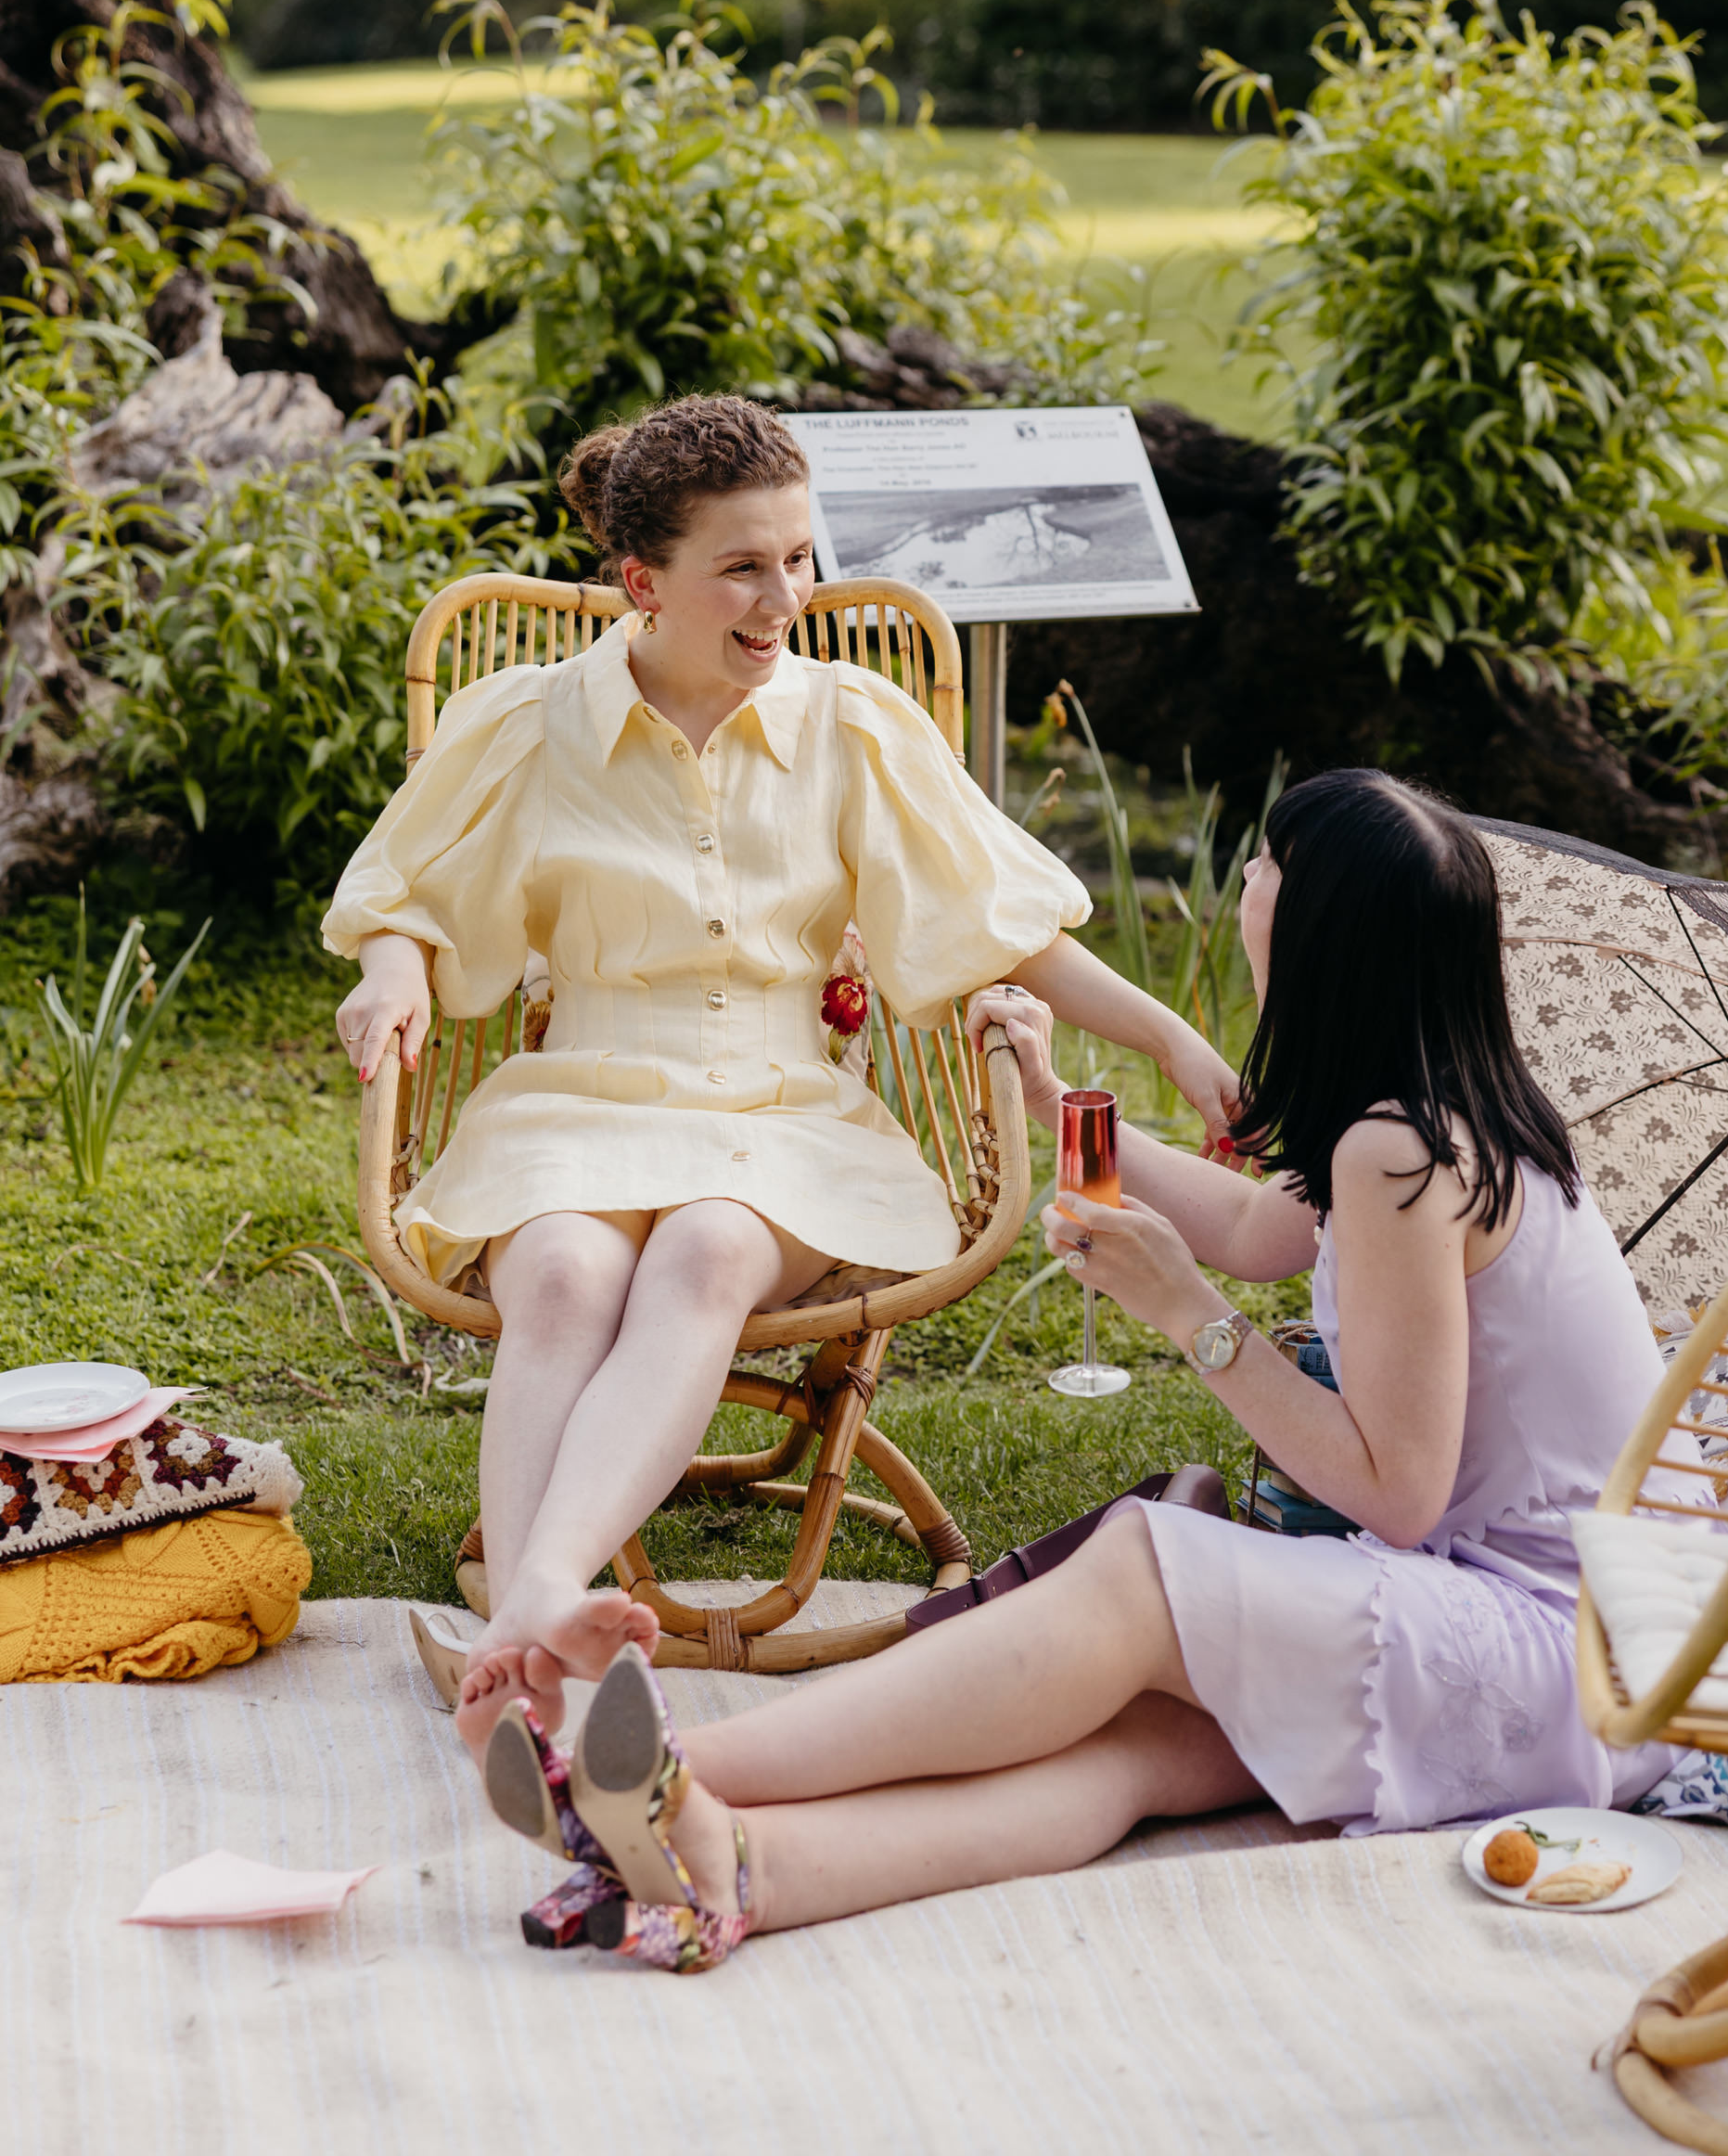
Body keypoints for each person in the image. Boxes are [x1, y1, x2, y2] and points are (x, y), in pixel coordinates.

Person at [480, 764, 1678, 1970]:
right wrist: (1066, 1107)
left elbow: (1398, 1491)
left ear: (1323, 928)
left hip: (1550, 1648)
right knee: (1141, 1749)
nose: (1250, 876)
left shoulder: (1400, 1153)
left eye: (1270, 861)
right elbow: (1253, 1227)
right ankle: (740, 1863)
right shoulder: (1430, 1110)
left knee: (1145, 1572)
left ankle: (645, 1775)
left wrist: (1187, 1312)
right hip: (1592, 1657)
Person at [321, 394, 1236, 1754]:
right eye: (744, 567)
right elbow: (405, 887)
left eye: (799, 557)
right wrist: (393, 966)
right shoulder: (529, 722)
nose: (787, 598)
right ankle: (540, 1631)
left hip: (782, 1107)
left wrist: (1168, 1037)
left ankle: (526, 1612)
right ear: (642, 581)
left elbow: (1002, 924)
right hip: (580, 1093)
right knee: (562, 1275)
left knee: (703, 1251)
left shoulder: (850, 724)